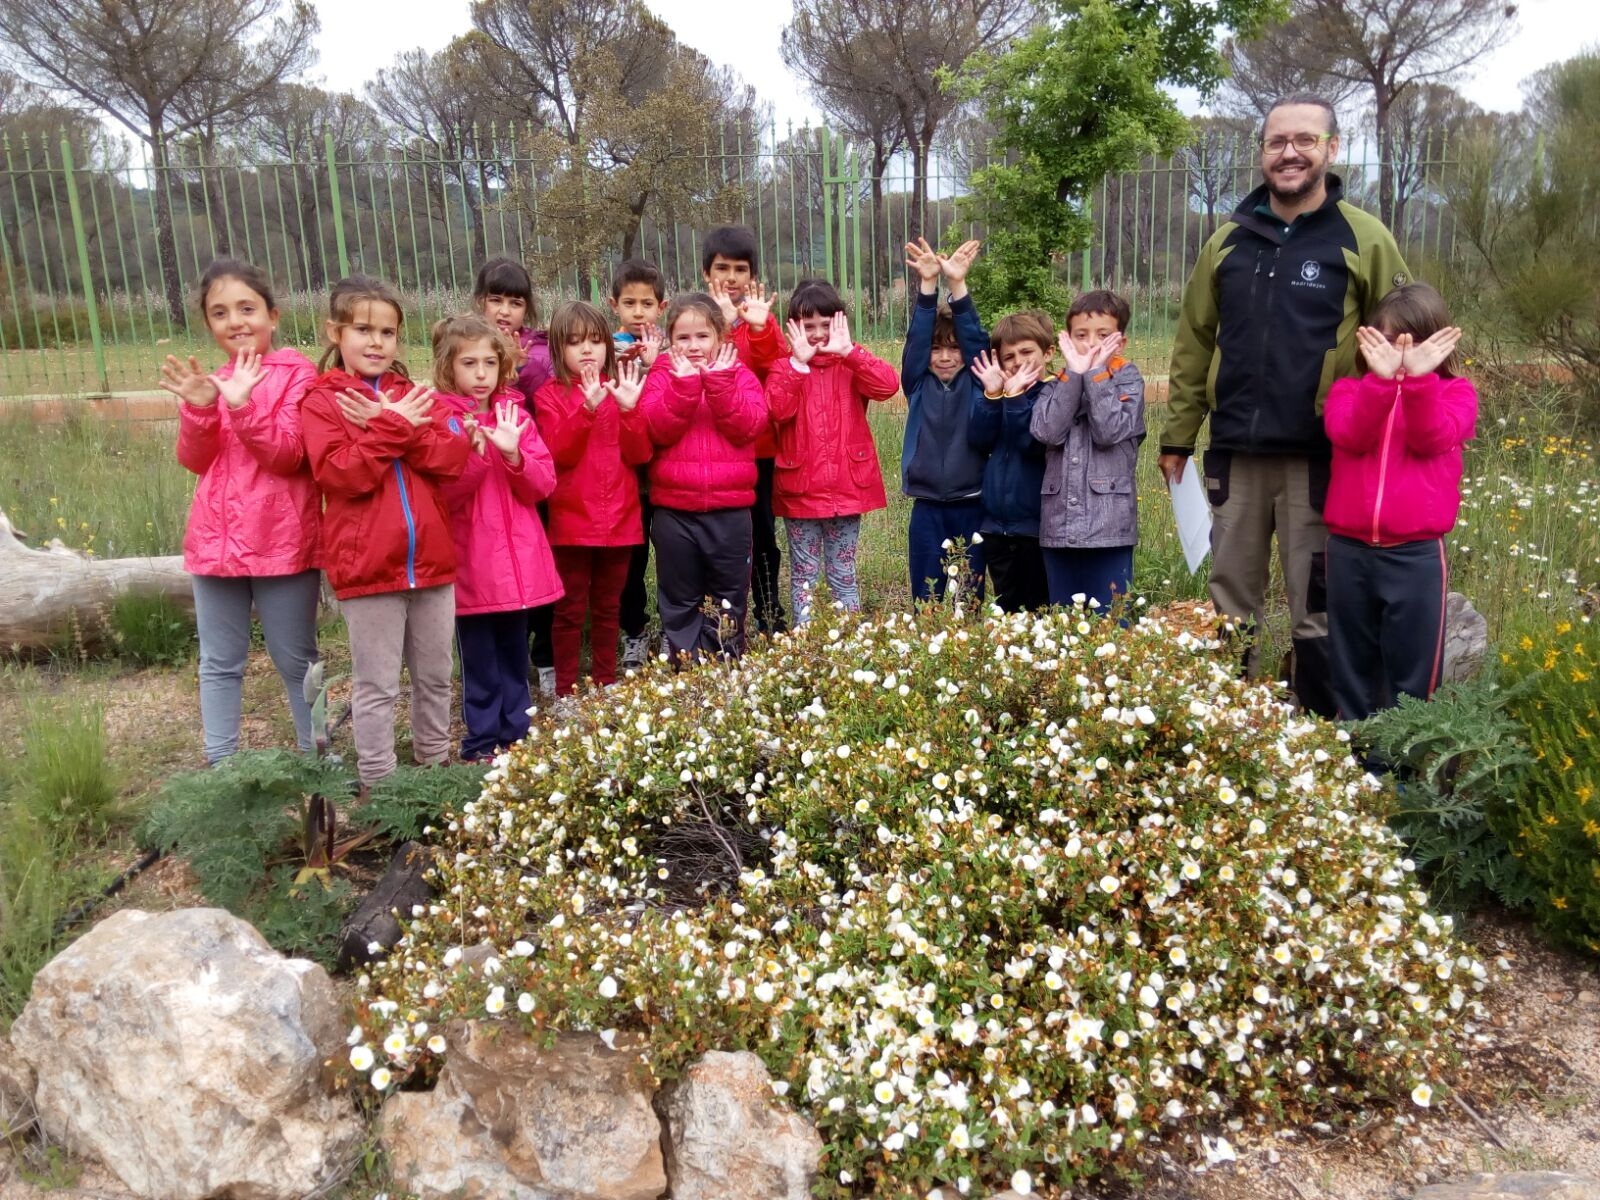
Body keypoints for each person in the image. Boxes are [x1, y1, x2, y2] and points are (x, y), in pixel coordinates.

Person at [1161, 93, 1411, 717]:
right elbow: (1194, 340)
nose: (1289, 153)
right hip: (1236, 456)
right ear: (1263, 154)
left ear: (1331, 149)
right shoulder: (1226, 242)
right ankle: (1227, 733)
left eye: (1304, 140)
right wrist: (1177, 437)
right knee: (1229, 603)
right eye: (1277, 142)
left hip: (1325, 461)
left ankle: (1319, 744)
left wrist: (1393, 435)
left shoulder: (1365, 239)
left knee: (1319, 608)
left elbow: (1405, 338)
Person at [300, 276, 470, 789]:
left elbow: (452, 458)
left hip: (433, 564)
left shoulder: (415, 396)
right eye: (362, 329)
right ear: (335, 332)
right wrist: (393, 427)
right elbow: (340, 474)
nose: (376, 342)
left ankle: (434, 769)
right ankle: (380, 785)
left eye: (388, 331)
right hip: (369, 568)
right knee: (376, 684)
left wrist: (395, 421)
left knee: (436, 677)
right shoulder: (321, 401)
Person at [161, 258, 321, 764]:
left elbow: (290, 454)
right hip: (215, 544)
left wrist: (243, 407)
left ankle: (316, 760)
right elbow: (195, 460)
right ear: (209, 325)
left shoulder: (299, 374)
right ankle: (221, 771)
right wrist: (201, 409)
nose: (236, 322)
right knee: (219, 663)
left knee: (297, 661)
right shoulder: (212, 381)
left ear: (273, 316)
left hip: (282, 542)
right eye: (220, 313)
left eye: (247, 308)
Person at [1323, 283, 1475, 721]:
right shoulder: (1349, 392)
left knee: (1413, 668)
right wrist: (1383, 383)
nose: (1401, 353)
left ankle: (1401, 774)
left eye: (1415, 343)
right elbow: (1352, 433)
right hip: (1349, 550)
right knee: (1351, 661)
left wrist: (1421, 382)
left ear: (1438, 344)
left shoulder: (1456, 394)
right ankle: (1351, 760)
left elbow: (1433, 438)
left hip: (1416, 555)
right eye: (1389, 341)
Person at [433, 314, 562, 760]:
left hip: (519, 565)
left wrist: (512, 454)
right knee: (479, 660)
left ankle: (517, 733)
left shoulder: (516, 415)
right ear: (449, 367)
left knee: (513, 651)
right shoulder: (442, 420)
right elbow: (444, 494)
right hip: (472, 563)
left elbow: (542, 484)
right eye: (469, 363)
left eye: (490, 362)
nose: (481, 374)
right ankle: (481, 741)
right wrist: (475, 455)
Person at [638, 293, 767, 659]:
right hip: (675, 513)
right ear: (670, 341)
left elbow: (750, 425)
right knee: (680, 599)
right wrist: (684, 387)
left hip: (730, 513)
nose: (693, 346)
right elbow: (656, 430)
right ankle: (689, 672)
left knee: (729, 598)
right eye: (683, 338)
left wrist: (720, 385)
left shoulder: (739, 375)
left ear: (721, 337)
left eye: (702, 336)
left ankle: (725, 667)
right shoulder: (662, 376)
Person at [765, 280, 899, 624]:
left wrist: (850, 352)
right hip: (800, 491)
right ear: (793, 326)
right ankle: (805, 649)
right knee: (804, 576)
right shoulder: (784, 367)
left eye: (827, 324)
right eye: (809, 326)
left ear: (840, 323)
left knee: (843, 573)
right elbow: (777, 411)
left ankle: (849, 645)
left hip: (847, 488)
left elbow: (888, 386)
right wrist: (798, 365)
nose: (819, 334)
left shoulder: (850, 363)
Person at [536, 301, 652, 697]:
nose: (586, 350)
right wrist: (586, 409)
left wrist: (631, 410)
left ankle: (605, 682)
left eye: (595, 340)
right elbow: (557, 454)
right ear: (558, 349)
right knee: (568, 612)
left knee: (608, 609)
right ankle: (565, 690)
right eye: (574, 342)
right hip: (571, 523)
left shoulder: (621, 387)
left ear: (608, 344)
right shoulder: (550, 396)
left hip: (620, 520)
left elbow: (640, 455)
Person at [472, 256, 557, 696]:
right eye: (496, 300)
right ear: (480, 303)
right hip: (482, 484)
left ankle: (540, 654)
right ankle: (499, 661)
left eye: (515, 302)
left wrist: (519, 367)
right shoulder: (467, 346)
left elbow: (542, 394)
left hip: (529, 469)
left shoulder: (538, 351)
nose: (505, 311)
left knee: (533, 564)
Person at [1030, 290, 1146, 611]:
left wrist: (1094, 374)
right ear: (1069, 339)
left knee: (1110, 623)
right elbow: (1047, 431)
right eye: (1081, 335)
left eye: (1103, 335)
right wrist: (1073, 377)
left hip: (1109, 528)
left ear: (1120, 343)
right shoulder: (1056, 384)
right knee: (1063, 623)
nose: (1091, 343)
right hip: (1059, 527)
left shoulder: (1129, 381)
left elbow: (1110, 431)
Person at [701, 224, 789, 636]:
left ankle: (769, 614)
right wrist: (717, 326)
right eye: (723, 268)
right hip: (715, 453)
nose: (731, 277)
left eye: (740, 269)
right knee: (721, 542)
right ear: (707, 273)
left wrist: (759, 328)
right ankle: (717, 621)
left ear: (752, 276)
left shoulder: (761, 320)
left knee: (763, 536)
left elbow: (777, 369)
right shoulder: (696, 319)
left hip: (759, 450)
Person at [899, 236, 989, 602]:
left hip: (973, 504)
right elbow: (917, 342)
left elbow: (976, 342)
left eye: (954, 348)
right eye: (938, 348)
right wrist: (927, 287)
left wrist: (957, 285)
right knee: (927, 595)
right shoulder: (917, 383)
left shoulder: (979, 380)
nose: (946, 357)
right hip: (927, 507)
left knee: (967, 595)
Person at [967, 311, 1051, 613]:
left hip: (1034, 529)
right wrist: (992, 394)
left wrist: (1014, 399)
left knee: (1039, 609)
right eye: (1009, 356)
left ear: (1048, 353)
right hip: (996, 529)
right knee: (1008, 609)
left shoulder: (1051, 396)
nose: (1017, 362)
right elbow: (979, 440)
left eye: (1027, 352)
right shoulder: (997, 397)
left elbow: (1031, 444)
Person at [609, 258, 667, 671]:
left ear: (661, 307)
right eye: (630, 302)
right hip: (625, 480)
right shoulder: (604, 349)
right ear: (614, 304)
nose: (638, 311)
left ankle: (674, 625)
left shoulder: (671, 347)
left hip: (664, 477)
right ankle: (633, 631)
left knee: (671, 559)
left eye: (647, 303)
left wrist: (654, 362)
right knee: (631, 564)